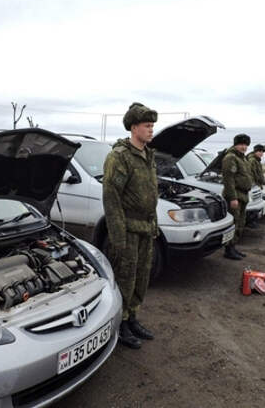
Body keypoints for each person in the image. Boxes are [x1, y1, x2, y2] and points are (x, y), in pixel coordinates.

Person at [102, 102, 158, 349]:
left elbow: (150, 193)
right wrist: (118, 237)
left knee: (141, 278)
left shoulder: (148, 155)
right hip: (127, 230)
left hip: (146, 228)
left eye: (152, 126)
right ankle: (121, 324)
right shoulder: (119, 157)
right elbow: (111, 198)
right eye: (147, 126)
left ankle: (132, 317)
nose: (151, 130)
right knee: (125, 278)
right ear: (133, 127)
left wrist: (154, 224)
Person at [221, 134, 253, 260]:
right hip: (235, 195)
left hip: (243, 195)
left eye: (245, 145)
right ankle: (228, 249)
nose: (244, 147)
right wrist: (232, 198)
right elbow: (229, 179)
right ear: (235, 144)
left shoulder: (243, 158)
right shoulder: (230, 157)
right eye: (241, 144)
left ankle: (233, 246)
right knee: (234, 222)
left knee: (240, 222)